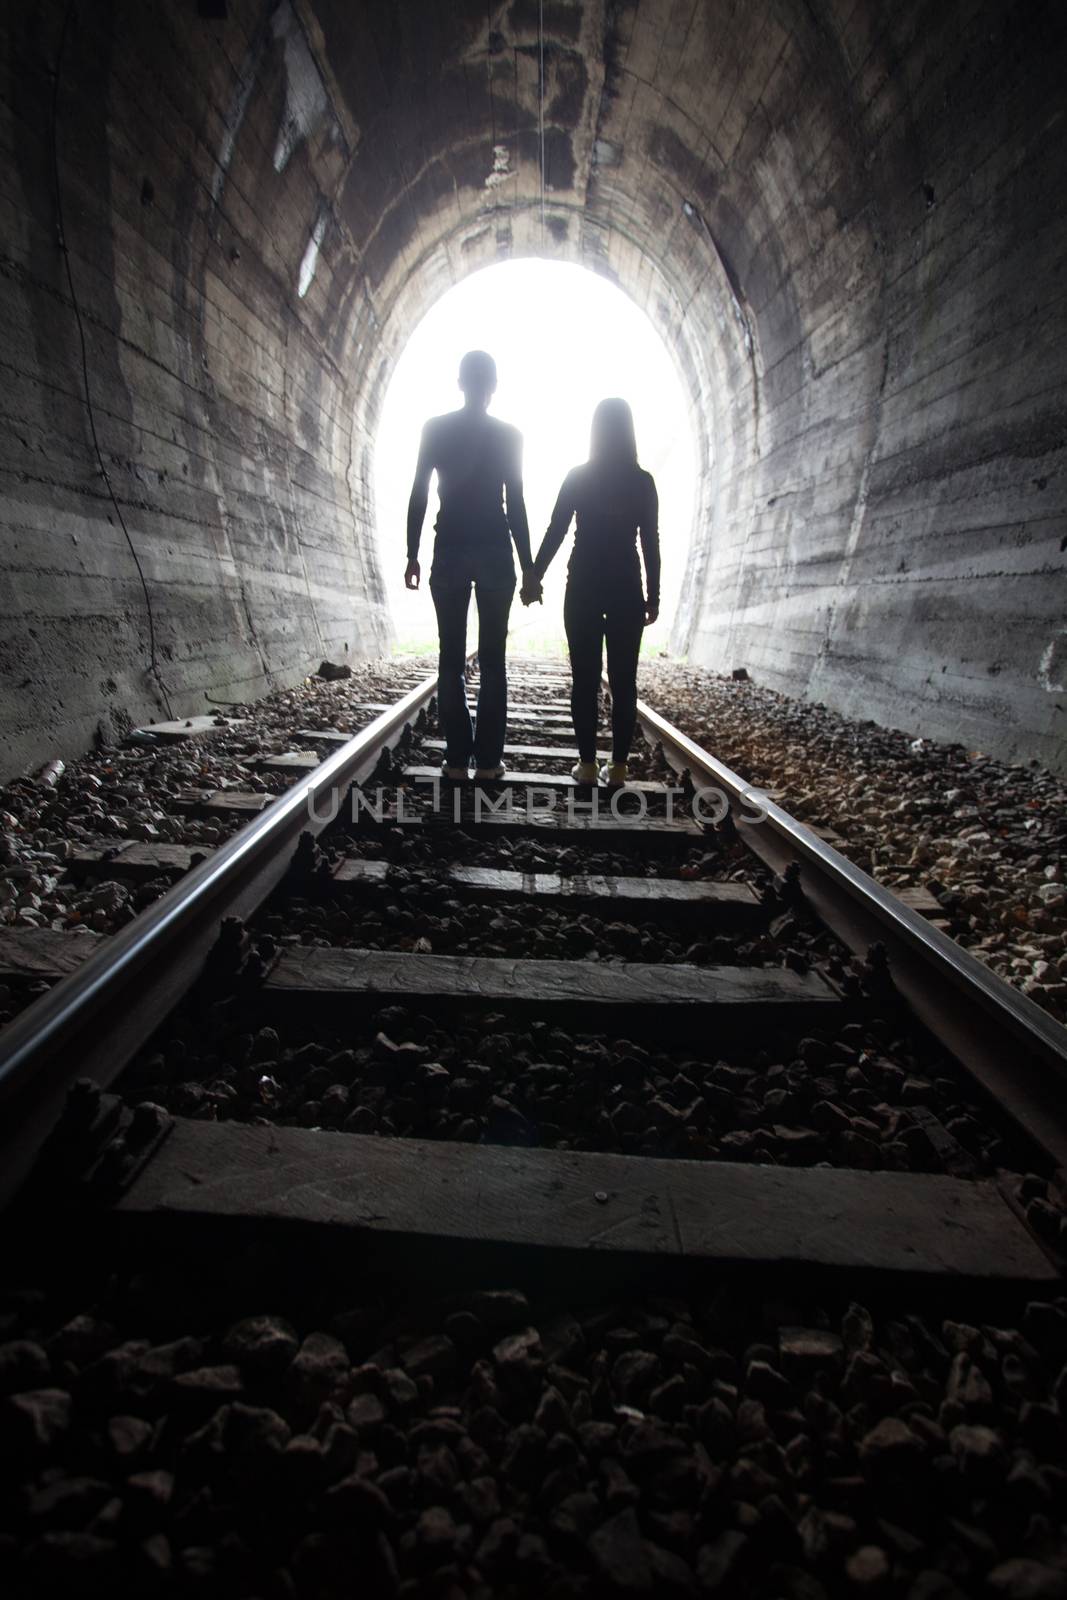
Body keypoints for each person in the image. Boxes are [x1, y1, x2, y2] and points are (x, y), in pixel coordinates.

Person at [405, 350, 535, 780]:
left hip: (451, 551)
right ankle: (490, 762)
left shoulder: (436, 429)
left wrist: (412, 554)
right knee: (494, 660)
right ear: (494, 386)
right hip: (496, 552)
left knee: (451, 659)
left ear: (460, 382)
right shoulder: (509, 436)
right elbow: (515, 504)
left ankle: (458, 759)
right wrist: (530, 566)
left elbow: (419, 493)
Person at [521, 398, 659, 787]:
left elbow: (557, 529)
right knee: (623, 680)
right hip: (626, 589)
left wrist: (534, 574)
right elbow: (650, 542)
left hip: (582, 585)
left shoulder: (579, 476)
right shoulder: (642, 481)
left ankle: (585, 765)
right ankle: (617, 769)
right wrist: (654, 596)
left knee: (584, 677)